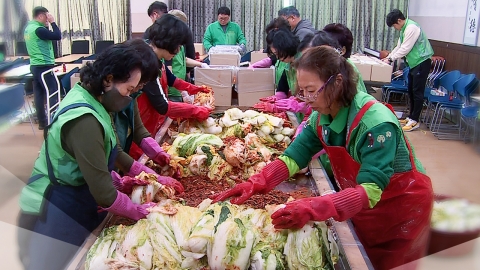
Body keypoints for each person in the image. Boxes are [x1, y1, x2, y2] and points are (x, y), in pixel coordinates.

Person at [213, 46, 434, 270]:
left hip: (400, 211)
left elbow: (371, 189)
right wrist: (259, 181)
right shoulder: (322, 115)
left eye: (311, 90)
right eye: (302, 91)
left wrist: (313, 207)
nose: (306, 99)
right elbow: (295, 156)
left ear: (337, 82)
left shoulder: (376, 123)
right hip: (364, 209)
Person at [17, 43, 172, 270]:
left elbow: (108, 153)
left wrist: (138, 176)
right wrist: (140, 211)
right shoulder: (85, 119)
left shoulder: (97, 101)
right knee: (58, 262)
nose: (131, 96)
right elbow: (104, 194)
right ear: (108, 79)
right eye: (129, 90)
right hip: (60, 204)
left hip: (80, 195)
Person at [130, 14, 211, 160]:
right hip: (140, 127)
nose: (179, 50)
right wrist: (195, 110)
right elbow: (162, 106)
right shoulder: (146, 61)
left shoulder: (157, 58)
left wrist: (194, 88)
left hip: (152, 124)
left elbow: (171, 79)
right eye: (178, 45)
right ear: (169, 41)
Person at [111, 39, 184, 195]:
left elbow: (138, 129)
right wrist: (154, 177)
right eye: (135, 86)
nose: (138, 89)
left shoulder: (126, 95)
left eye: (142, 86)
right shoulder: (92, 109)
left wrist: (158, 154)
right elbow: (113, 151)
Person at [383, 9, 434, 132]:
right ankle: (411, 117)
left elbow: (405, 49)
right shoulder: (404, 29)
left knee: (417, 91)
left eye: (394, 25)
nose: (395, 28)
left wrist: (390, 59)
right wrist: (389, 56)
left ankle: (415, 120)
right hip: (413, 63)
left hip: (422, 62)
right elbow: (399, 47)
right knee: (411, 90)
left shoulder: (411, 28)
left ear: (399, 20)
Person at [24, 6, 61, 130]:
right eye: (46, 16)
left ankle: (42, 122)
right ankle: (55, 119)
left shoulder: (28, 29)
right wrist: (53, 22)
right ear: (40, 16)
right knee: (53, 91)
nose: (47, 19)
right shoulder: (38, 30)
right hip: (44, 65)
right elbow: (57, 35)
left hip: (35, 65)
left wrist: (47, 24)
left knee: (39, 95)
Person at [168, 9, 209, 103]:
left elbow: (184, 60)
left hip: (179, 88)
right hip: (172, 91)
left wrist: (201, 64)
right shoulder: (168, 45)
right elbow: (169, 71)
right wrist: (183, 92)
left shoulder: (179, 43)